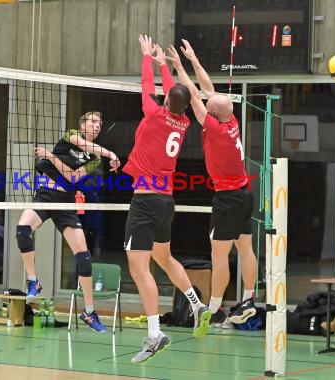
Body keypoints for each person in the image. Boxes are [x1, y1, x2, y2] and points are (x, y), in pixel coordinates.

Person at [124, 35, 211, 364]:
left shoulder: (154, 114)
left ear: (165, 102)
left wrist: (148, 58)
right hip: (166, 202)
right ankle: (195, 302)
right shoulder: (184, 121)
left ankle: (154, 333)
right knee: (164, 257)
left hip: (146, 202)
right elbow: (175, 92)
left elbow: (148, 87)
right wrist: (162, 64)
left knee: (138, 267)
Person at [168, 40, 258, 325]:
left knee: (218, 254)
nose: (207, 102)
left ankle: (215, 307)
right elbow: (207, 90)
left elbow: (194, 95)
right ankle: (248, 298)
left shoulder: (217, 130)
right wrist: (195, 60)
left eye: (210, 106)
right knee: (246, 249)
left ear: (215, 114)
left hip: (228, 198)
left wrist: (179, 66)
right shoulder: (231, 121)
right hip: (245, 194)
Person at [15, 111, 120, 333]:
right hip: (45, 196)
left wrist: (50, 158)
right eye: (93, 122)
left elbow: (72, 177)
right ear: (82, 126)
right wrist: (111, 154)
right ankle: (33, 280)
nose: (97, 126)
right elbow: (81, 149)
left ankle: (89, 312)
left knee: (83, 257)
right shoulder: (70, 135)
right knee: (23, 230)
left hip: (66, 202)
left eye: (100, 123)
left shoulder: (95, 158)